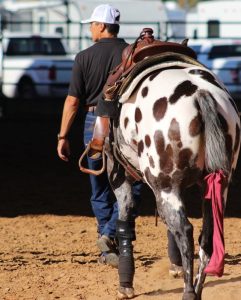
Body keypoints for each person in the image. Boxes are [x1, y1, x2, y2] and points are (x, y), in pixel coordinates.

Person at [57, 4, 142, 268]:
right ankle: (111, 235)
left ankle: (106, 239)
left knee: (99, 186)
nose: (91, 29)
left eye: (93, 24)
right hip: (126, 124)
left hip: (94, 124)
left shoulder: (83, 57)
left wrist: (62, 135)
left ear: (102, 26)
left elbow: (72, 101)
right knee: (134, 182)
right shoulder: (133, 54)